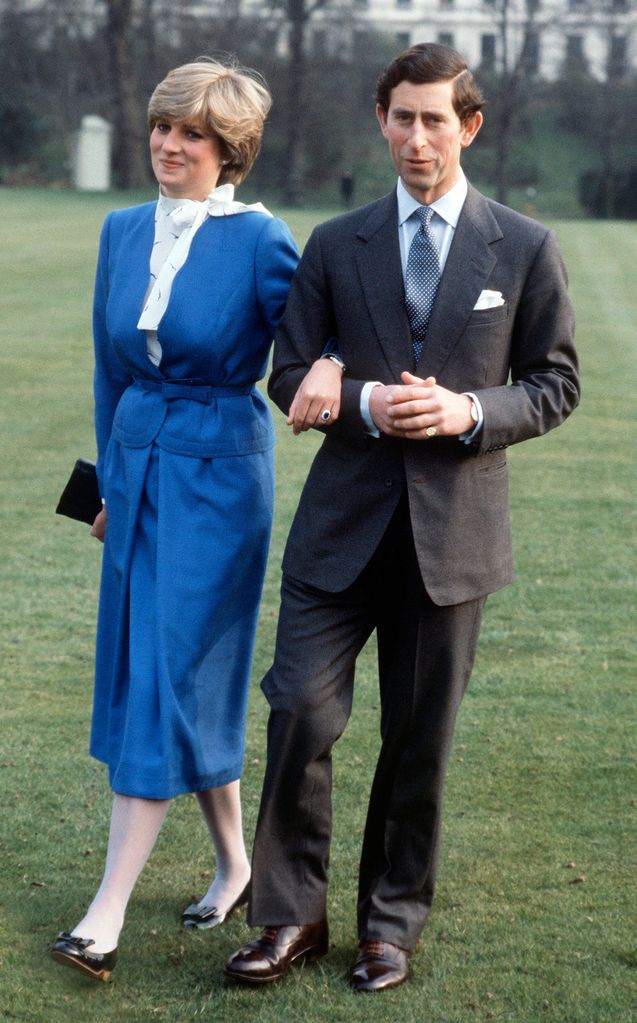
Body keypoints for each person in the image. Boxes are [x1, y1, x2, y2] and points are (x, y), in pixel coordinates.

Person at [226, 42, 580, 993]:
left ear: (467, 127)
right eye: (400, 116)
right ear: (380, 121)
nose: (415, 136)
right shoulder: (336, 242)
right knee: (299, 708)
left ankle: (389, 924)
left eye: (434, 119)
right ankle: (289, 915)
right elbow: (290, 373)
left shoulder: (524, 245)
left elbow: (555, 384)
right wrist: (368, 402)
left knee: (416, 740)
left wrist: (469, 412)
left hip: (452, 541)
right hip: (338, 529)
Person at [51, 57, 304, 982]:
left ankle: (106, 911)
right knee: (156, 669)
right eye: (163, 127)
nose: (170, 144)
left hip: (219, 481)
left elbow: (311, 347)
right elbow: (108, 372)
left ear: (227, 149)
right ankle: (237, 862)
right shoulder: (121, 231)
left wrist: (325, 377)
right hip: (139, 465)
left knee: (167, 669)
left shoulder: (264, 242)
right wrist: (107, 487)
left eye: (192, 133)